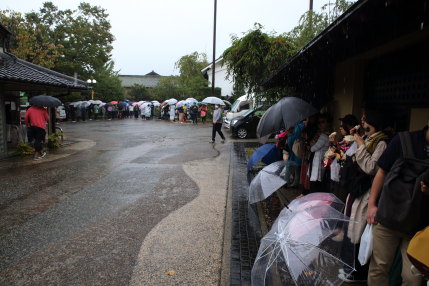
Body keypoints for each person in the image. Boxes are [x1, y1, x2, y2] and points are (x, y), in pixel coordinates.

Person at [366, 120, 429, 286]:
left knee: (413, 278)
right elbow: (382, 171)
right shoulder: (403, 140)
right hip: (388, 217)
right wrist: (371, 205)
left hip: (417, 226)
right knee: (379, 267)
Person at [337, 111, 389, 283]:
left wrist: (359, 143)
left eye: (365, 120)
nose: (362, 123)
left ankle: (356, 272)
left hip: (367, 194)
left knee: (358, 232)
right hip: (356, 191)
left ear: (372, 124)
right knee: (350, 228)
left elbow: (370, 167)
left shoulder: (381, 143)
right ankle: (348, 267)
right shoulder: (369, 138)